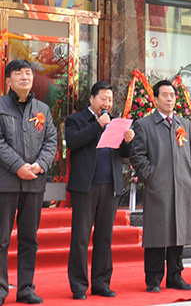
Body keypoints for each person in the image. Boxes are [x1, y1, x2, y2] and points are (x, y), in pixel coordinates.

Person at [0, 60, 58, 306]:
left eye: (28, 73)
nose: (25, 77)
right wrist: (18, 166)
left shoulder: (42, 109)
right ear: (8, 80)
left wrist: (40, 164)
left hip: (34, 183)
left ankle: (26, 288)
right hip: (4, 183)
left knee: (29, 239)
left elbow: (51, 141)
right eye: (19, 73)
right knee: (0, 239)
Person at [65, 82, 135, 299]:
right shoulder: (76, 120)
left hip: (110, 185)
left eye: (110, 99)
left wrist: (128, 141)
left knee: (105, 237)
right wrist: (97, 125)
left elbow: (123, 153)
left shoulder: (115, 122)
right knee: (80, 237)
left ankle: (101, 283)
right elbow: (72, 142)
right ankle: (78, 285)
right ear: (92, 99)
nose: (107, 103)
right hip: (85, 187)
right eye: (103, 98)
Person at [129, 80, 191, 293]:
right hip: (158, 186)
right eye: (165, 95)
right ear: (155, 98)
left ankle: (175, 276)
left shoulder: (183, 124)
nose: (169, 99)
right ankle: (153, 278)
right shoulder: (144, 125)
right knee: (157, 233)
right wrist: (151, 176)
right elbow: (137, 156)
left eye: (172, 95)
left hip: (183, 186)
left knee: (179, 232)